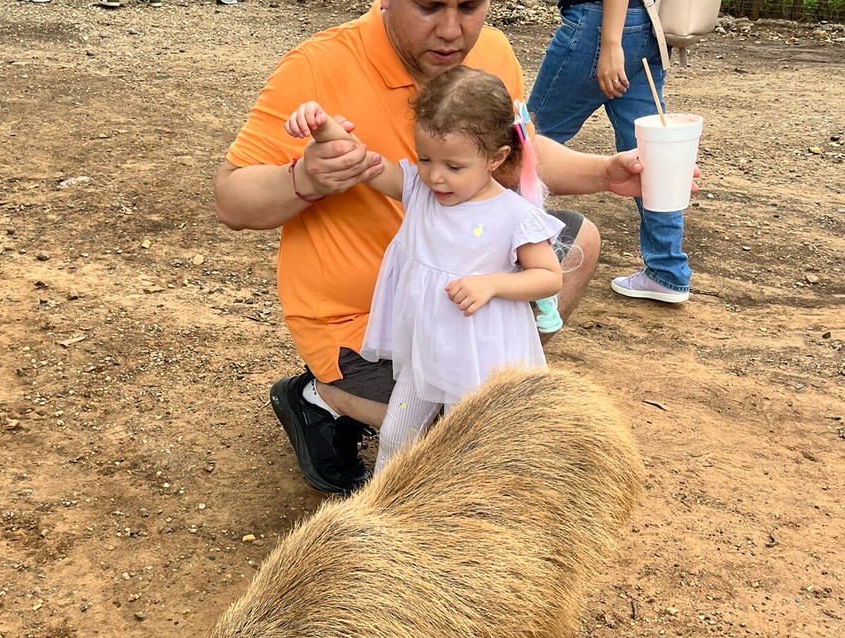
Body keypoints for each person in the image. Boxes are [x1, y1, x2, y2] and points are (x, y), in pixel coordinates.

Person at [215, 0, 649, 494]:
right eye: (428, 6)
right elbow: (232, 202)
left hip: (463, 292)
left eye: (469, 7)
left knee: (575, 246)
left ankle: (469, 383)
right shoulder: (319, 65)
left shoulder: (493, 52)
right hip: (361, 320)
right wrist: (306, 175)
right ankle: (322, 396)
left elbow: (518, 157)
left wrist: (603, 173)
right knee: (460, 436)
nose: (451, 30)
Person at [285, 69, 564, 470]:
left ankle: (455, 516)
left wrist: (493, 284)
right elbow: (363, 162)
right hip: (424, 348)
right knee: (398, 434)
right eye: (425, 158)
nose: (435, 175)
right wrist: (323, 126)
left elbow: (549, 277)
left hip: (480, 359)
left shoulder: (512, 215)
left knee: (464, 445)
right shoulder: (419, 189)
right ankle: (384, 505)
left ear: (496, 159)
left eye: (453, 166)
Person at [528, 0, 691, 304]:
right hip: (648, 27)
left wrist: (611, 42)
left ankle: (498, 251)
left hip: (600, 26)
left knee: (524, 143)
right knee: (649, 154)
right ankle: (667, 270)